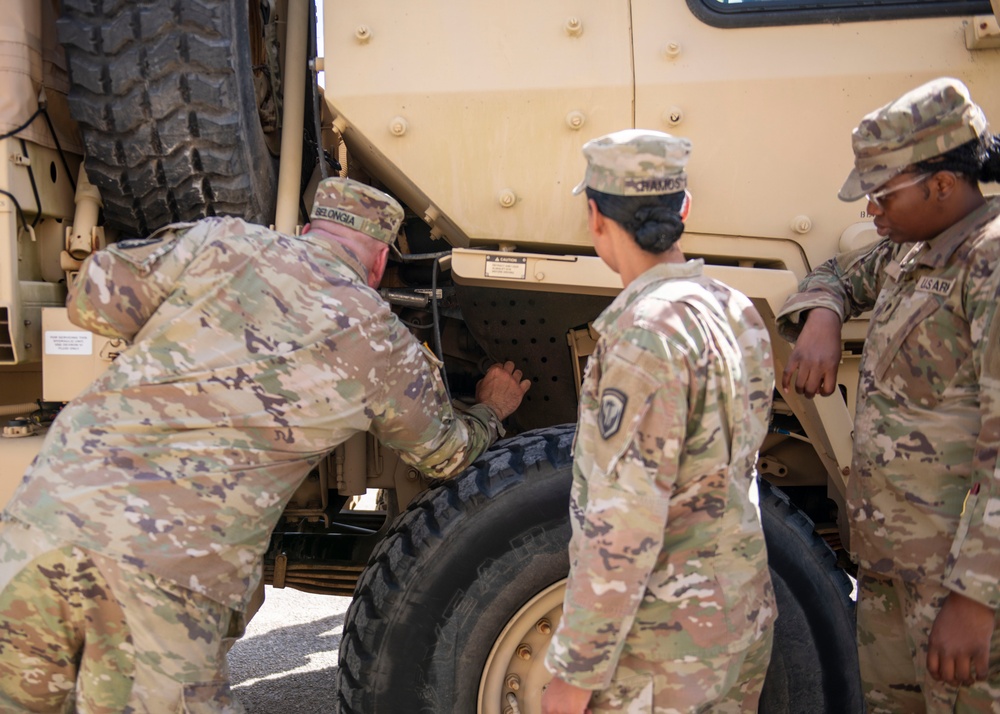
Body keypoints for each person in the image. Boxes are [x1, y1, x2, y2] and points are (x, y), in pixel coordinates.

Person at [0, 177, 530, 712]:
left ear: (306, 231)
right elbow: (447, 455)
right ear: (378, 264)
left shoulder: (221, 242)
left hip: (39, 526)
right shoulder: (376, 337)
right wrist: (491, 407)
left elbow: (89, 300)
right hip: (162, 575)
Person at [778, 77, 1000, 712]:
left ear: (941, 184)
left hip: (959, 585)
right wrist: (822, 313)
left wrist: (975, 597)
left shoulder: (988, 263)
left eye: (883, 193)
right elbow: (837, 273)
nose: (871, 210)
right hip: (893, 571)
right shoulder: (911, 254)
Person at [541, 129, 776, 714]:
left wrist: (575, 673)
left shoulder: (642, 336)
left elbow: (625, 521)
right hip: (735, 616)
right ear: (684, 210)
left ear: (595, 217)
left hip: (661, 650)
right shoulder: (733, 307)